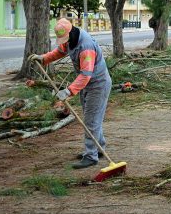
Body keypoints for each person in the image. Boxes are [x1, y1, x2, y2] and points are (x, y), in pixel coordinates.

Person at [28, 18, 112, 169]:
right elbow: (60, 51)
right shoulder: (70, 39)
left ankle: (91, 156)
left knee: (91, 121)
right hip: (87, 84)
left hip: (98, 85)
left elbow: (86, 74)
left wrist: (68, 91)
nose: (64, 42)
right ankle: (98, 148)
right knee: (91, 118)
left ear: (71, 31)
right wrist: (43, 58)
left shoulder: (85, 47)